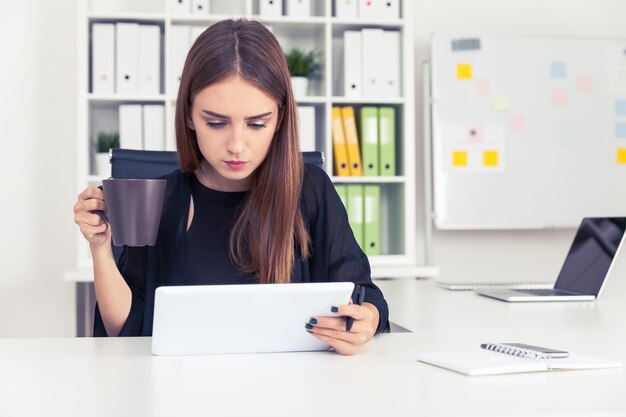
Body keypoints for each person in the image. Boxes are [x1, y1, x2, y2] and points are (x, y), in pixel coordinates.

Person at [73, 18, 389, 355]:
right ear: (189, 116)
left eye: (256, 124)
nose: (236, 145)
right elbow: (127, 331)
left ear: (279, 118)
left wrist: (365, 318)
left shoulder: (309, 189)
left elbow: (364, 295)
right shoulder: (161, 201)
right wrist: (100, 248)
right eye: (216, 122)